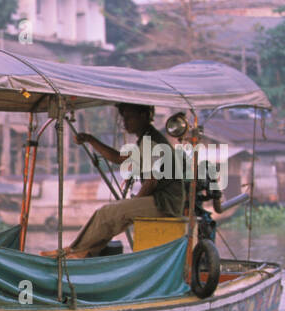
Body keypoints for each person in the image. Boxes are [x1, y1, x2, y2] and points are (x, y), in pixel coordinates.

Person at [53, 102, 188, 258]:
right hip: (163, 202)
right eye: (124, 118)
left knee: (107, 213)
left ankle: (76, 251)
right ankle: (83, 250)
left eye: (129, 118)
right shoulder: (145, 140)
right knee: (109, 214)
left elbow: (152, 181)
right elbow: (119, 158)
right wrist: (90, 140)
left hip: (165, 203)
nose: (125, 123)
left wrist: (133, 203)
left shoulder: (151, 141)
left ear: (144, 116)